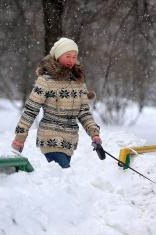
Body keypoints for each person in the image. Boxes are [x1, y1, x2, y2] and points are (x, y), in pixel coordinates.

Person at [11, 37, 101, 168]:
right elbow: (31, 110)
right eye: (68, 56)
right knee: (64, 172)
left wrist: (94, 133)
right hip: (50, 138)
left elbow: (84, 112)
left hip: (69, 141)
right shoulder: (46, 81)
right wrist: (20, 138)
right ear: (58, 56)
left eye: (74, 57)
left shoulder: (79, 83)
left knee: (60, 180)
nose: (71, 60)